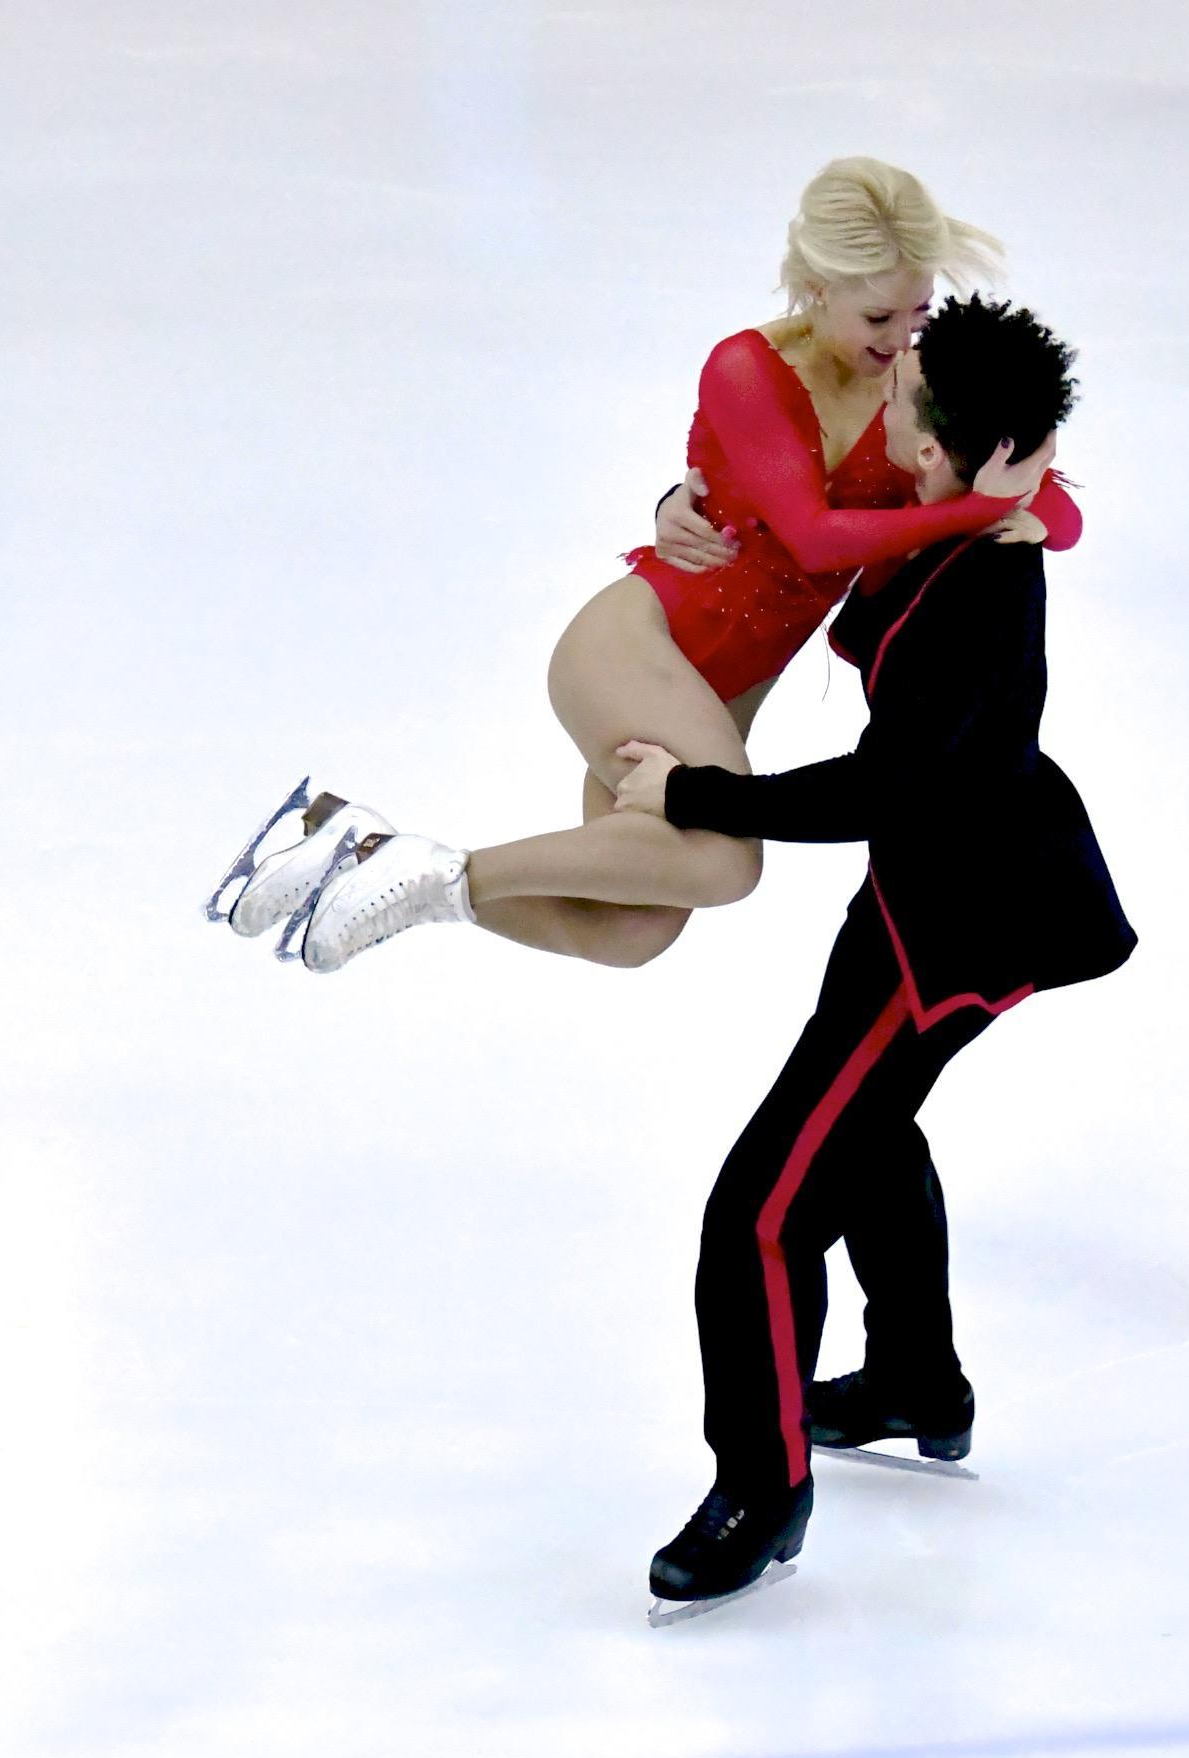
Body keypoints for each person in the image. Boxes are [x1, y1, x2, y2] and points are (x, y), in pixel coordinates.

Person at [202, 157, 1082, 972]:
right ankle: (419, 869)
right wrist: (985, 505)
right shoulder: (748, 369)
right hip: (637, 646)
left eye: (917, 313)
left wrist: (1014, 494)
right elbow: (814, 537)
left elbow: (1062, 511)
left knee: (631, 932)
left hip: (716, 698)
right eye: (878, 318)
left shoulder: (918, 391)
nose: (900, 339)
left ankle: (362, 851)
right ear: (818, 289)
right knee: (730, 865)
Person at [614, 296, 1136, 1611]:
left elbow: (880, 789)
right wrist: (682, 503)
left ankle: (761, 1487)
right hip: (926, 887)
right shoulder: (954, 502)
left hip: (953, 923)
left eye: (904, 403)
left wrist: (693, 797)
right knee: (868, 1123)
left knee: (761, 1211)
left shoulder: (983, 595)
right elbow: (797, 505)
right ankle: (912, 1376)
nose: (884, 397)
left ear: (951, 453)